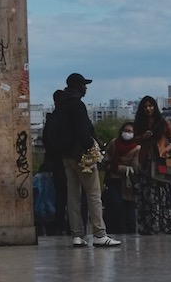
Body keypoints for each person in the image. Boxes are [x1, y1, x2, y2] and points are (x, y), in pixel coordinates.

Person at [49, 72, 121, 247]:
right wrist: (91, 146)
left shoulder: (60, 105)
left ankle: (77, 234)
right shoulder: (77, 104)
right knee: (94, 194)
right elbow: (83, 131)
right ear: (77, 86)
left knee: (73, 196)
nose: (85, 88)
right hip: (82, 156)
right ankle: (99, 234)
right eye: (83, 85)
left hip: (66, 156)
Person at [133, 95, 171, 234]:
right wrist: (143, 137)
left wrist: (165, 150)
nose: (148, 109)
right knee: (148, 195)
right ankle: (151, 225)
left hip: (162, 160)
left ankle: (166, 224)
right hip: (146, 162)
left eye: (150, 106)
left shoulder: (163, 122)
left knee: (165, 193)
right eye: (145, 107)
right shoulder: (139, 123)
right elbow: (134, 140)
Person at [102, 120, 140, 234]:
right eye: (125, 130)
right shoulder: (114, 143)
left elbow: (134, 167)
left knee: (129, 211)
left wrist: (115, 167)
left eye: (130, 131)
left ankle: (130, 234)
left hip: (128, 184)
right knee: (115, 206)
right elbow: (106, 160)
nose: (127, 133)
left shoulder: (137, 148)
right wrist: (112, 167)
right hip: (113, 181)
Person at [41, 89, 70, 235]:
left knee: (60, 195)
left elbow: (46, 140)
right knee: (71, 194)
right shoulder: (65, 118)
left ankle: (60, 225)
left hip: (55, 162)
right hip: (65, 160)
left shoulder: (51, 119)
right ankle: (70, 225)